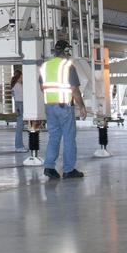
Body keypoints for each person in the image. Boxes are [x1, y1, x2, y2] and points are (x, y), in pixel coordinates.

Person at [39, 39, 87, 179]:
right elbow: (74, 89)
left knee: (53, 137)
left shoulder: (45, 66)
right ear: (66, 51)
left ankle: (49, 167)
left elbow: (42, 87)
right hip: (64, 106)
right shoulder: (68, 66)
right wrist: (82, 106)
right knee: (69, 138)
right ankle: (68, 169)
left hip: (50, 106)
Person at [11, 69, 26, 151]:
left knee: (20, 126)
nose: (23, 78)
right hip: (20, 104)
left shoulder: (15, 85)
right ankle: (19, 146)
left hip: (18, 104)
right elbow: (24, 96)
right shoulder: (18, 86)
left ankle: (19, 145)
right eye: (22, 76)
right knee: (19, 127)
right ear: (19, 77)